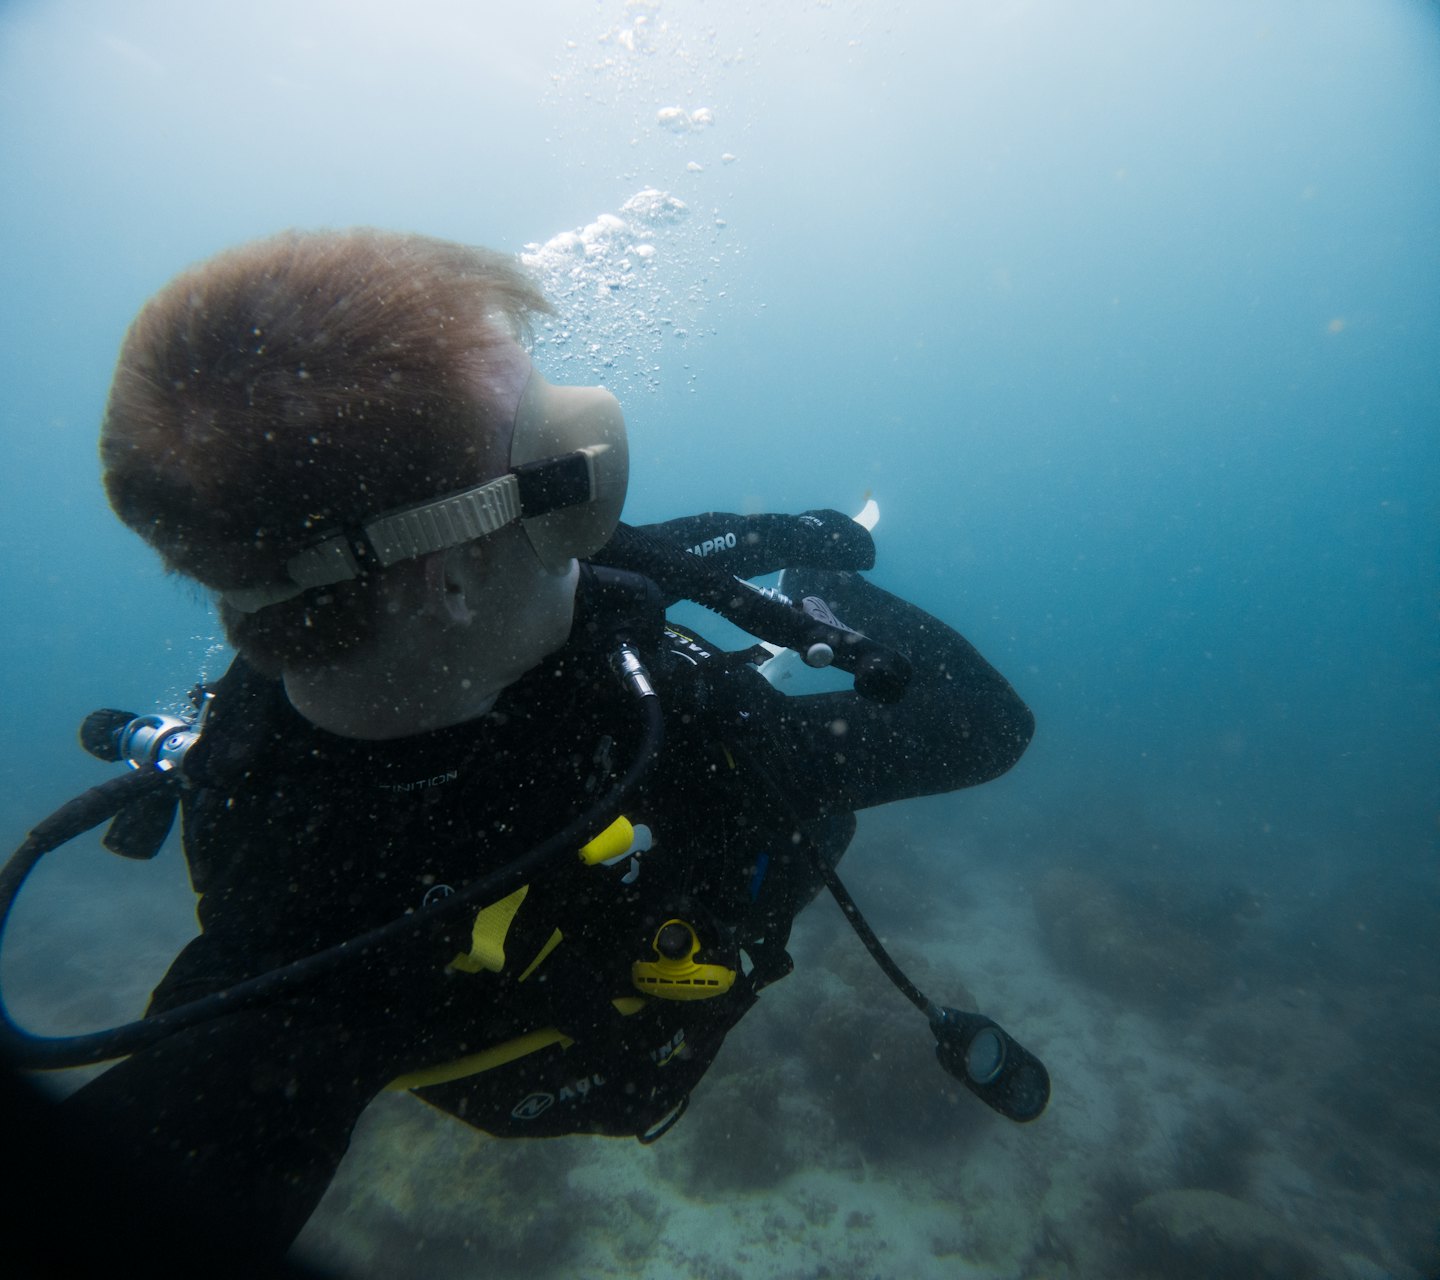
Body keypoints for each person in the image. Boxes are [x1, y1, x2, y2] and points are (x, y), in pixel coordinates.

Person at [66, 229, 1034, 1258]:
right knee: (831, 807)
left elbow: (592, 560)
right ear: (445, 578)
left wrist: (765, 543)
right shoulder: (307, 958)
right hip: (673, 927)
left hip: (635, 775)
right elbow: (985, 725)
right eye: (560, 476)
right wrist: (828, 590)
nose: (594, 502)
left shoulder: (307, 667)